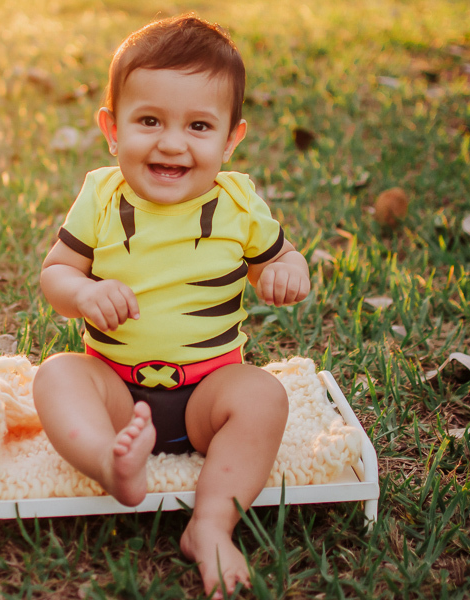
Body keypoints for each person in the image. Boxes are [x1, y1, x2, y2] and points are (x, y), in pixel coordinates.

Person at [33, 14, 311, 598]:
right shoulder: (102, 196)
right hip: (115, 387)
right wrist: (84, 292)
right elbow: (56, 273)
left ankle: (211, 523)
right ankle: (109, 461)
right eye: (150, 120)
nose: (172, 143)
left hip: (207, 396)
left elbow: (283, 258)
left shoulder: (238, 204)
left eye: (199, 125)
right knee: (57, 376)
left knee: (263, 396)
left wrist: (286, 272)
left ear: (231, 139)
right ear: (112, 128)